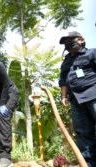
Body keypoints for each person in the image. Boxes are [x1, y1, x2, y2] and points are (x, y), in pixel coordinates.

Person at [58, 31, 96, 167]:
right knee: (83, 133)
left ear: (81, 40)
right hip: (76, 101)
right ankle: (89, 163)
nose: (67, 44)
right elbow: (62, 80)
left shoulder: (92, 53)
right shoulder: (66, 61)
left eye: (70, 40)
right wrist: (63, 96)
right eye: (65, 43)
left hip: (93, 95)